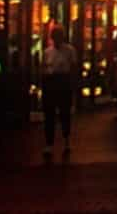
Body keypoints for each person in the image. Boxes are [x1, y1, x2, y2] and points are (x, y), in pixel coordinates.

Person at [39, 25, 78, 157]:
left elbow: (73, 68)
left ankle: (65, 140)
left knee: (64, 113)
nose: (56, 40)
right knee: (50, 114)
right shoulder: (47, 52)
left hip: (62, 82)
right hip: (52, 82)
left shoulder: (69, 50)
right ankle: (50, 143)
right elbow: (44, 68)